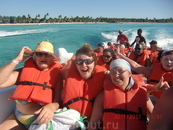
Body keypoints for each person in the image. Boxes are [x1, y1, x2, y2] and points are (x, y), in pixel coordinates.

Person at [0, 40, 63, 130]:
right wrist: (17, 60)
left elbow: (58, 102)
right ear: (34, 56)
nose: (43, 57)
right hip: (17, 120)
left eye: (47, 55)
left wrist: (51, 107)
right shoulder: (24, 71)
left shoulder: (57, 75)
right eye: (39, 54)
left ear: (52, 58)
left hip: (40, 123)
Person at [88, 59, 154, 130]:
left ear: (129, 73)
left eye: (120, 71)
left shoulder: (141, 94)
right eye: (112, 72)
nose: (116, 75)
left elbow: (156, 118)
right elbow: (93, 124)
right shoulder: (103, 96)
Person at [62, 44, 107, 119]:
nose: (83, 65)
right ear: (75, 63)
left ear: (95, 62)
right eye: (79, 61)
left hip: (92, 122)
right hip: (68, 119)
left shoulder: (105, 77)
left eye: (88, 61)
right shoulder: (66, 73)